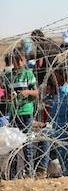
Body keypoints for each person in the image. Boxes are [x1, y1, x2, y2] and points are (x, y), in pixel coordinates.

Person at [35, 64, 68, 178]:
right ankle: (66, 172)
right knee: (61, 150)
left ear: (62, 76)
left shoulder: (67, 91)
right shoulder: (60, 91)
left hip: (65, 126)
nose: (54, 77)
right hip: (58, 126)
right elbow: (55, 110)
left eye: (56, 74)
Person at [3, 49, 38, 179]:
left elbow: (36, 93)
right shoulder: (8, 77)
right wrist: (8, 96)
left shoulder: (28, 75)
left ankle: (29, 173)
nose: (19, 63)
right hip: (14, 113)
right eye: (16, 60)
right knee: (13, 145)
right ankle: (13, 174)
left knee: (27, 144)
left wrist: (27, 92)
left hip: (26, 112)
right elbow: (5, 95)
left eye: (20, 60)